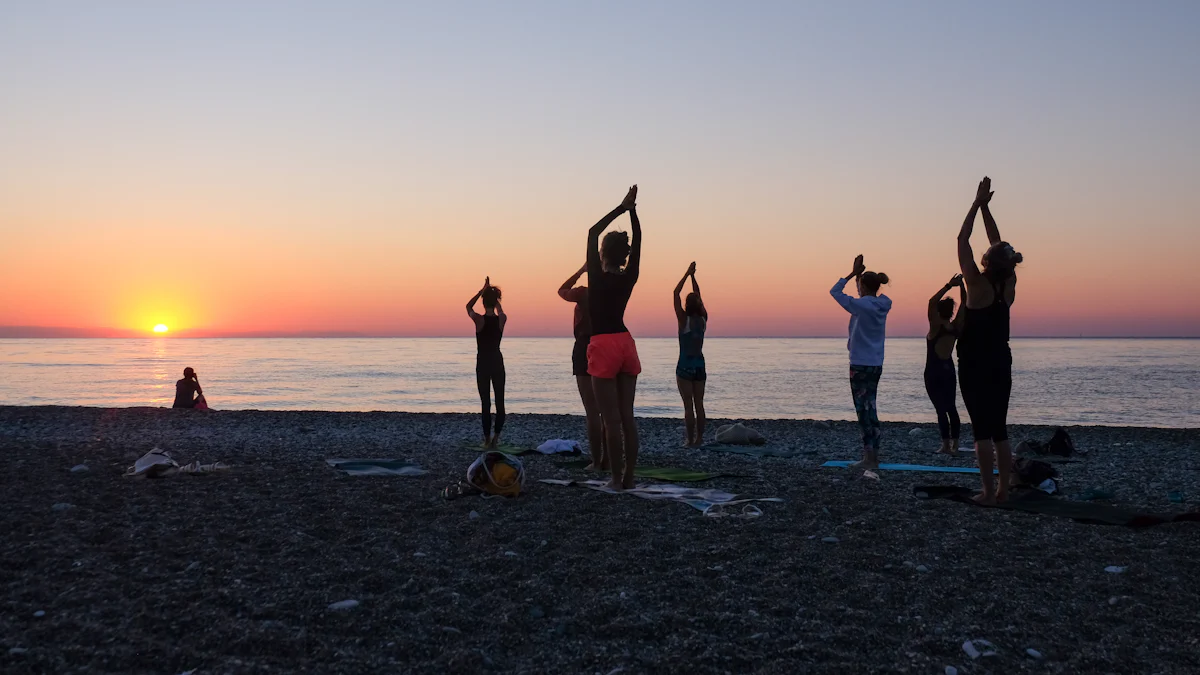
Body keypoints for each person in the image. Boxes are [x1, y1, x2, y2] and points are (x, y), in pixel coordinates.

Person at [957, 176, 1023, 504]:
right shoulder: (1007, 284)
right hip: (1000, 359)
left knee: (981, 430)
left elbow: (962, 238)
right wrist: (986, 208)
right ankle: (1002, 492)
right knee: (1000, 429)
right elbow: (998, 244)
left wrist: (975, 203)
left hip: (973, 362)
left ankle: (986, 492)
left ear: (985, 263)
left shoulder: (976, 285)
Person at [586, 185, 641, 490]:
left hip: (604, 344)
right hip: (625, 342)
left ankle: (616, 481)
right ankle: (629, 478)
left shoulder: (596, 275)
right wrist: (633, 212)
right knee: (627, 417)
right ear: (625, 255)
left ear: (603, 253)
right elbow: (640, 242)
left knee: (611, 420)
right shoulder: (629, 275)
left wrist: (621, 207)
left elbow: (592, 231)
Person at [830, 255, 892, 470]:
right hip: (876, 363)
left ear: (863, 287)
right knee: (871, 408)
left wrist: (850, 273)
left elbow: (835, 292)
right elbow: (862, 295)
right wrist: (859, 275)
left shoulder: (860, 306)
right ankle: (874, 456)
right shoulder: (882, 304)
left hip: (859, 363)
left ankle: (869, 458)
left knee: (862, 412)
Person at [558, 263, 606, 470]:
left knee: (592, 410)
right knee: (608, 410)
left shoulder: (583, 293)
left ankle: (597, 461)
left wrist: (580, 271)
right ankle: (608, 457)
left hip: (586, 345)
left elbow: (561, 290)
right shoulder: (610, 292)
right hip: (607, 345)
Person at [926, 274, 966, 455]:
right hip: (948, 370)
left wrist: (949, 285)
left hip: (934, 372)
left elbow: (931, 301)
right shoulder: (956, 326)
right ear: (951, 312)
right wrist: (962, 286)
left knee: (940, 409)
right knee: (951, 407)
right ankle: (955, 446)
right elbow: (965, 304)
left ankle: (945, 446)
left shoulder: (935, 326)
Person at [466, 277, 507, 449]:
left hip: (483, 363)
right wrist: (492, 297)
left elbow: (468, 307)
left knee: (486, 403)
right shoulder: (502, 319)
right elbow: (500, 310)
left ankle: (487, 439)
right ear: (496, 301)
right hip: (497, 362)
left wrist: (481, 291)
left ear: (483, 302)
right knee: (499, 402)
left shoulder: (479, 320)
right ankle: (496, 439)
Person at [673, 261, 708, 447]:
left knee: (688, 405)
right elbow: (700, 296)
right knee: (699, 404)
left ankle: (689, 440)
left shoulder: (683, 319)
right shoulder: (703, 319)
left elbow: (675, 293)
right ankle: (700, 439)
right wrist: (694, 277)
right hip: (700, 366)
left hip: (685, 366)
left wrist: (687, 274)